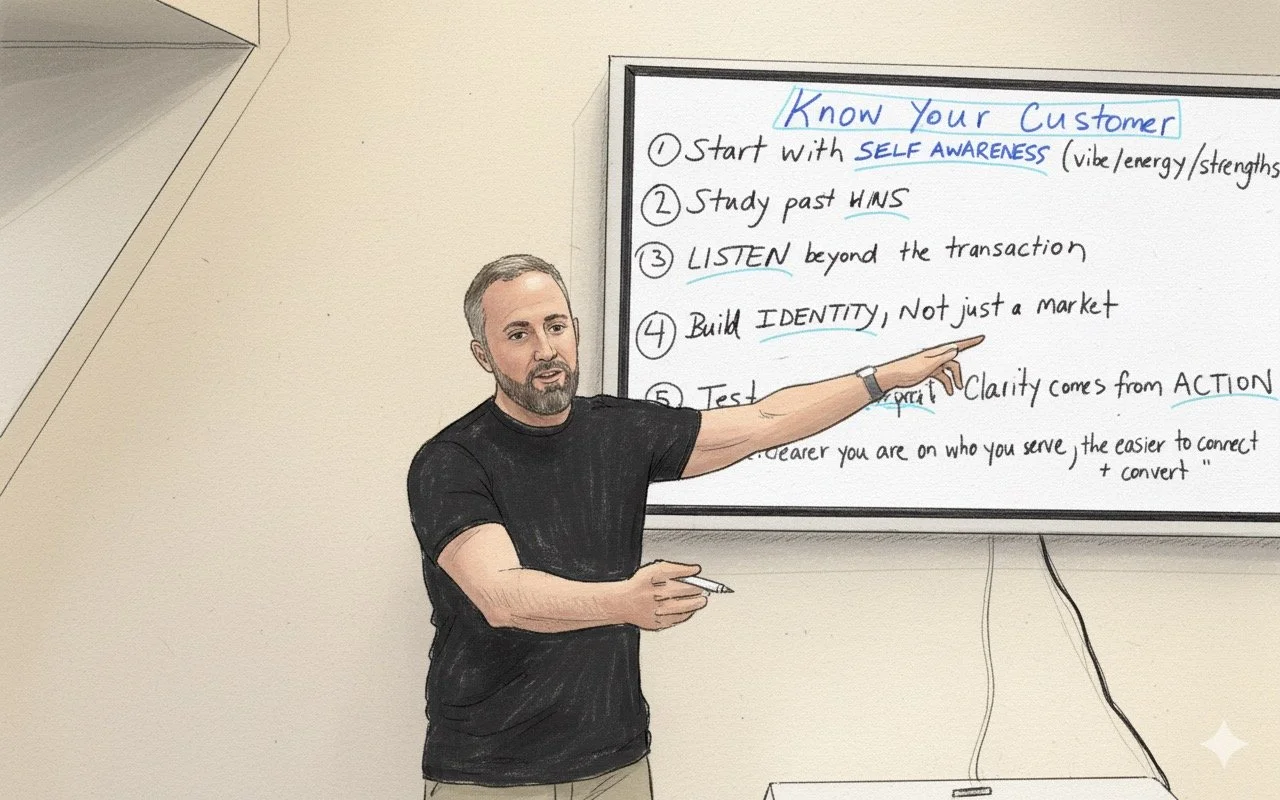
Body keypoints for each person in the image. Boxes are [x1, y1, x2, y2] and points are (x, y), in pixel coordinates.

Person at [407, 254, 982, 799]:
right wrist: (624, 602)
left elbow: (762, 422)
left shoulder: (619, 430)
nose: (545, 349)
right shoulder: (452, 460)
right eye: (518, 334)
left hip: (615, 766)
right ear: (483, 354)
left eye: (556, 327)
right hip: (485, 775)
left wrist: (880, 378)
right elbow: (502, 595)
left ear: (576, 329)